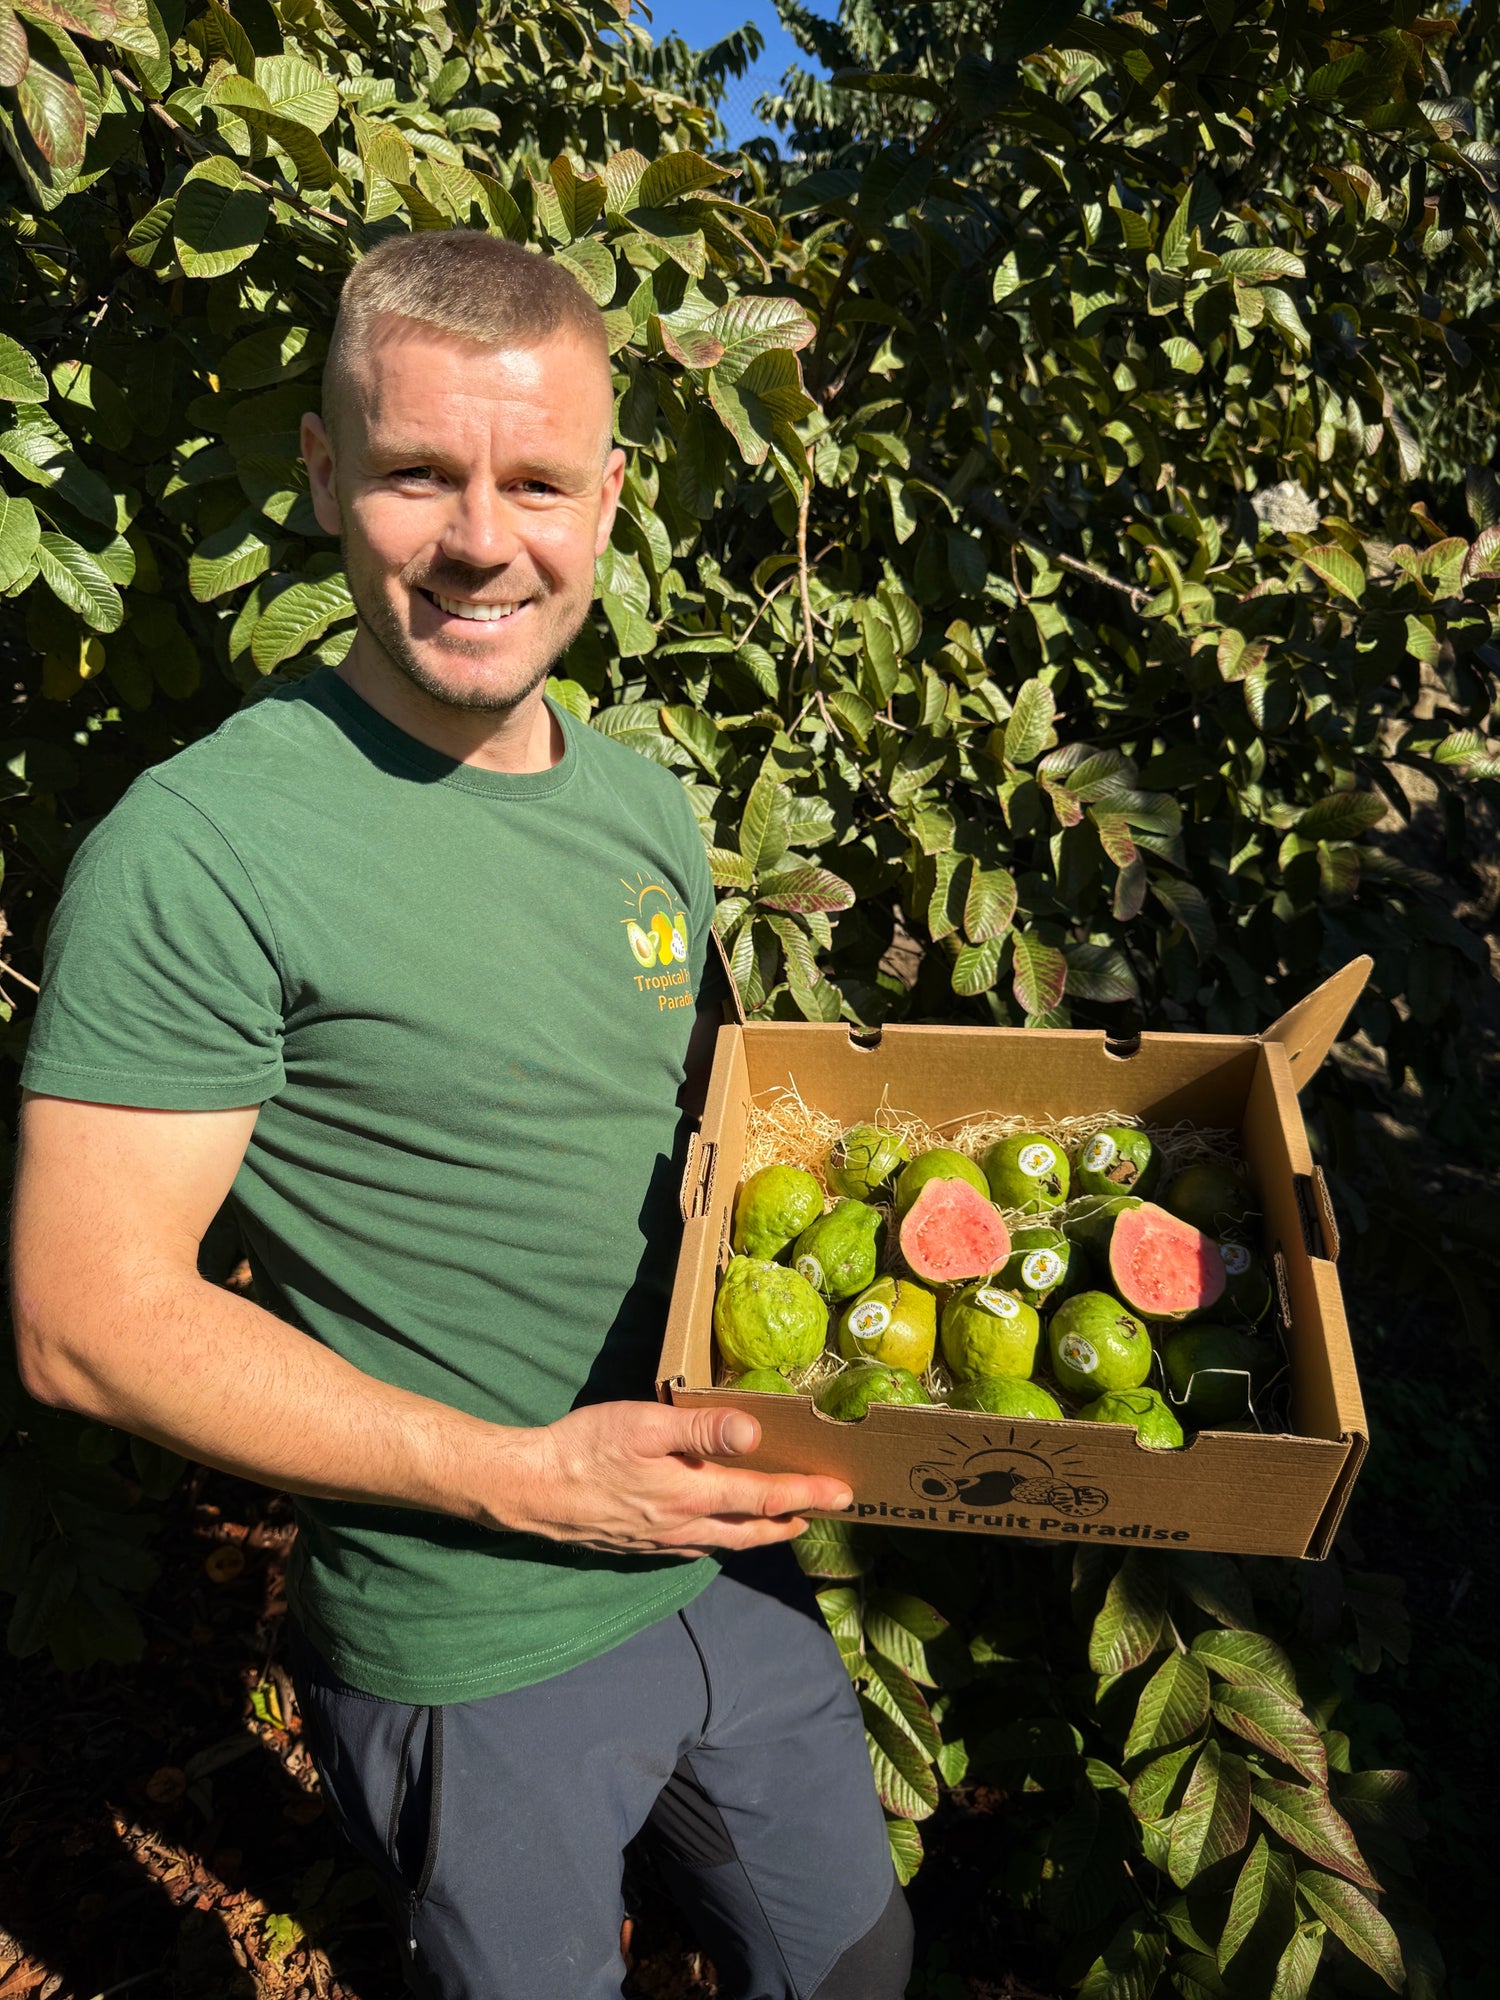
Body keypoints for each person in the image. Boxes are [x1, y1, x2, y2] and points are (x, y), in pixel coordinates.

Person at [10, 232, 913, 1999]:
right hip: (471, 1634)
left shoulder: (646, 806)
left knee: (859, 1964)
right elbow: (83, 1321)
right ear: (328, 473)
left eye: (538, 480)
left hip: (724, 1567)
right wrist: (527, 1482)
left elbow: (690, 1167)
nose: (485, 539)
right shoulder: (200, 852)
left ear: (613, 494)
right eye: (421, 471)